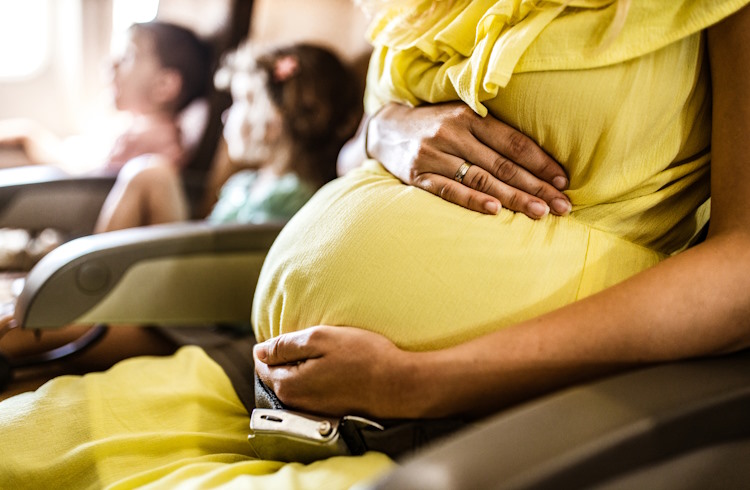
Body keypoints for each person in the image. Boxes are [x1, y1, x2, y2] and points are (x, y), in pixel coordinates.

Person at [2, 1, 750, 488]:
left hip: (481, 416)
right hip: (278, 398)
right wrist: (387, 132)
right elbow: (343, 153)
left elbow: (741, 276)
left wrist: (420, 381)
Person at [95, 42, 361, 232]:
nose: (226, 116)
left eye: (241, 102)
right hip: (199, 269)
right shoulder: (246, 183)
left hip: (207, 290)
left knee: (152, 174)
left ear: (275, 120)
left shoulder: (291, 198)